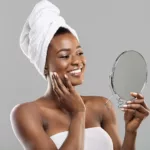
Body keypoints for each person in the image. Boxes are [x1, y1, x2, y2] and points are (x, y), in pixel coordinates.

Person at [10, 0, 149, 150]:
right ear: (44, 64)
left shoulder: (102, 106)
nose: (77, 61)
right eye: (64, 56)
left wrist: (130, 132)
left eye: (79, 53)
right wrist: (78, 113)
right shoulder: (28, 113)